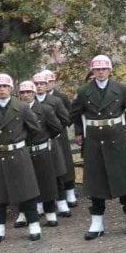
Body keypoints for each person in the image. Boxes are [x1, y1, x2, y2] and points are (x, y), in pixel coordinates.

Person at [70, 54, 126, 239]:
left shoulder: (120, 89)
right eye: (97, 69)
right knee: (96, 183)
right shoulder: (84, 91)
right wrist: (79, 131)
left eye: (104, 69)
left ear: (110, 70)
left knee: (124, 180)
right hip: (94, 140)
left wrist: (118, 124)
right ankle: (96, 223)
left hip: (116, 139)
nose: (101, 72)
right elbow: (75, 113)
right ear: (92, 71)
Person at [0, 74, 43, 243]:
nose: (1, 90)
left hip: (19, 154)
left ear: (11, 89)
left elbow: (34, 128)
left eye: (4, 87)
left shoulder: (21, 107)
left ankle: (34, 225)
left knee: (26, 192)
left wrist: (19, 141)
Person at [18, 80, 63, 228]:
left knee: (47, 183)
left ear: (34, 93)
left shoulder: (45, 109)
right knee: (24, 184)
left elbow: (57, 127)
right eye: (23, 92)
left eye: (29, 92)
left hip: (42, 150)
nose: (26, 95)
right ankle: (24, 214)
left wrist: (45, 138)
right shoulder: (15, 111)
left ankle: (50, 213)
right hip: (24, 152)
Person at [34, 72, 73, 217]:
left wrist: (55, 132)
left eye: (42, 84)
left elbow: (66, 119)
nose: (39, 87)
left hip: (53, 141)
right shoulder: (29, 102)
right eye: (36, 84)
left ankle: (62, 202)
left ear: (47, 85)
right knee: (38, 174)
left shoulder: (55, 101)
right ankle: (40, 204)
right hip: (36, 144)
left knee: (57, 172)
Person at [44, 69, 80, 207]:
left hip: (60, 135)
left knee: (65, 162)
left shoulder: (61, 97)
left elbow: (71, 114)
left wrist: (60, 126)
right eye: (44, 82)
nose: (47, 85)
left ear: (53, 82)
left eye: (49, 82)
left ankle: (70, 191)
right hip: (44, 137)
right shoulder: (35, 97)